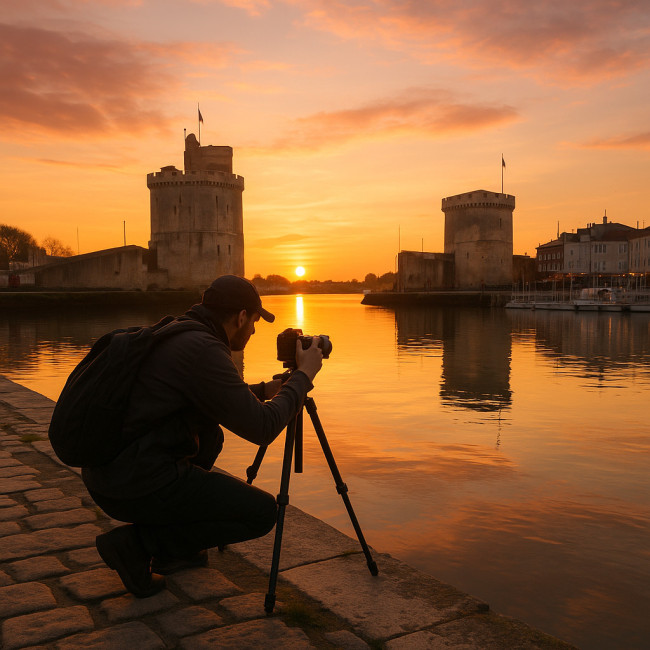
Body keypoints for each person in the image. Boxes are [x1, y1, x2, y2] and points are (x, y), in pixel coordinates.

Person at [83, 275, 323, 597]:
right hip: (136, 482)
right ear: (240, 317)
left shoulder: (179, 333)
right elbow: (263, 428)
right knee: (262, 513)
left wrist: (266, 391)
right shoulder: (205, 351)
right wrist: (304, 376)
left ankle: (173, 548)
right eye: (253, 322)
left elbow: (205, 397)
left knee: (210, 435)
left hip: (109, 474)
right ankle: (138, 545)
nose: (252, 331)